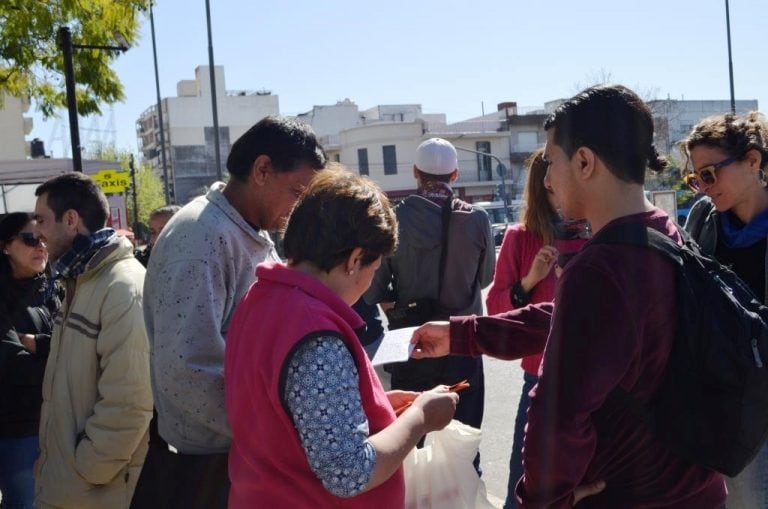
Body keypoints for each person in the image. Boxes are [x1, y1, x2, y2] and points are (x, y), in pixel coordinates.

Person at [411, 85, 727, 508]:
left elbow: (555, 416)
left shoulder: (600, 267)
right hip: (693, 488)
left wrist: (541, 502)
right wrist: (462, 334)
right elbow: (569, 319)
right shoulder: (664, 235)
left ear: (583, 162)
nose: (546, 180)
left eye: (550, 162)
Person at [225, 167, 458, 507]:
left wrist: (372, 407)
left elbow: (286, 410)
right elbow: (349, 472)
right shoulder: (315, 333)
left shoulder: (261, 297)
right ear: (354, 259)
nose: (368, 284)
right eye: (373, 269)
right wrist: (421, 417)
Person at [133, 116, 326, 509]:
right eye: (297, 191)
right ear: (262, 170)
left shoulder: (247, 231)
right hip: (208, 469)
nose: (299, 207)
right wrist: (278, 428)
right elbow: (185, 369)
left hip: (238, 455)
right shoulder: (201, 236)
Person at [33, 173, 152, 509]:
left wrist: (88, 468)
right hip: (71, 486)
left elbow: (129, 401)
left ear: (70, 220)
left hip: (95, 491)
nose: (37, 232)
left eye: (42, 220)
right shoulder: (79, 280)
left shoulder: (123, 287)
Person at [364, 137, 494, 438]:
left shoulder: (394, 218)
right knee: (464, 440)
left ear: (415, 173)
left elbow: (373, 289)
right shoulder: (477, 219)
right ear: (455, 175)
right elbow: (486, 279)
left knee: (413, 443)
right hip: (465, 340)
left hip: (412, 345)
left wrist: (395, 305)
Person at [485, 149, 589, 509]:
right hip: (540, 380)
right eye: (552, 185)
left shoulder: (598, 228)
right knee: (524, 488)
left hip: (595, 380)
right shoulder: (520, 236)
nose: (562, 193)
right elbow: (495, 310)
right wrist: (529, 281)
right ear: (541, 186)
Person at [681, 111, 768, 509]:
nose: (702, 187)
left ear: (753, 161)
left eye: (710, 174)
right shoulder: (703, 219)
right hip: (729, 397)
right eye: (695, 178)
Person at [0, 213, 60, 509]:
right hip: (18, 430)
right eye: (29, 239)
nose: (40, 246)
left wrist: (37, 343)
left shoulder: (50, 286)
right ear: (5, 246)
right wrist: (63, 359)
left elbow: (77, 345)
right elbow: (14, 365)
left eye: (43, 238)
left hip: (61, 423)